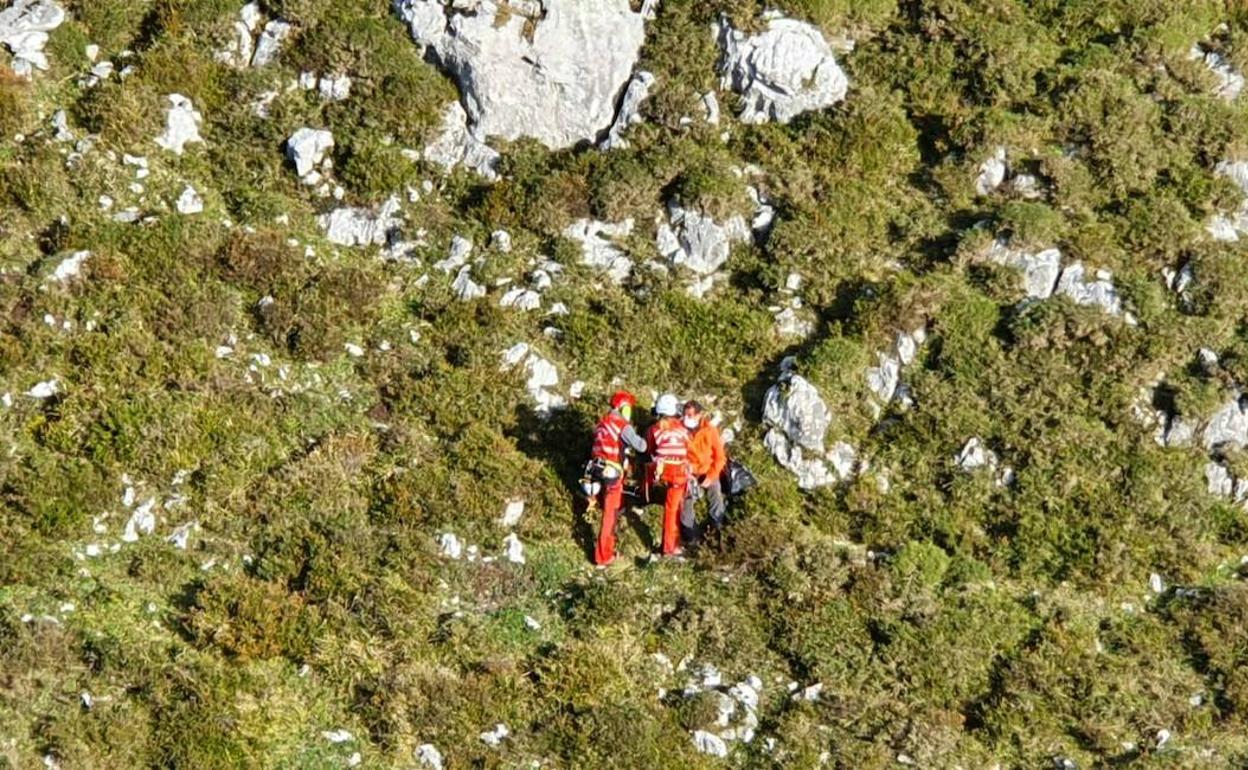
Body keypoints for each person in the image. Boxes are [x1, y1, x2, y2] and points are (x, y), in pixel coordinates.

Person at [590, 390, 647, 566]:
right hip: (613, 474)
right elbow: (642, 446)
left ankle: (607, 547)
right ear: (624, 408)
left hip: (595, 471)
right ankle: (603, 556)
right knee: (610, 514)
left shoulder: (602, 423)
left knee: (606, 510)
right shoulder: (622, 425)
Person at [647, 393, 691, 557]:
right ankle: (670, 546)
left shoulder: (654, 429)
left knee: (671, 507)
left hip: (660, 471)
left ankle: (670, 544)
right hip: (678, 473)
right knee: (673, 509)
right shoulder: (682, 429)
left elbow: (651, 450)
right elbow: (689, 449)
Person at [681, 400, 727, 547]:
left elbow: (720, 458)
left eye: (690, 415)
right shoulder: (680, 429)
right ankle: (691, 537)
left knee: (716, 495)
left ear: (699, 415)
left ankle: (717, 530)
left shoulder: (710, 430)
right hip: (689, 473)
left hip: (708, 470)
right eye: (685, 414)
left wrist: (711, 476)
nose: (686, 418)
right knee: (686, 501)